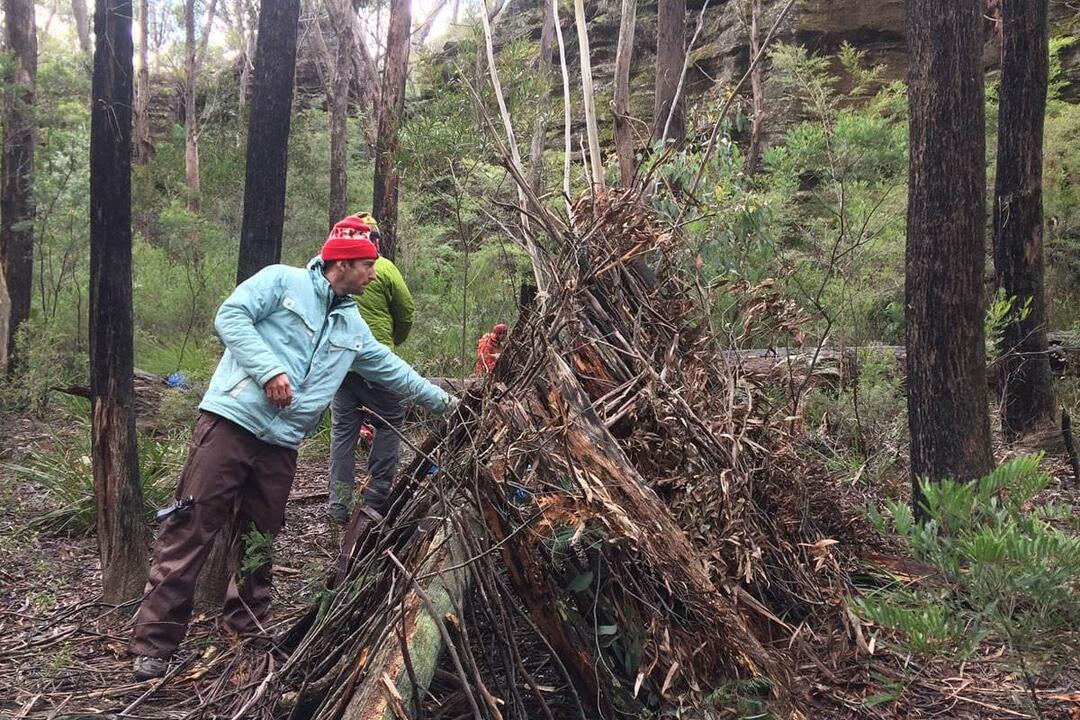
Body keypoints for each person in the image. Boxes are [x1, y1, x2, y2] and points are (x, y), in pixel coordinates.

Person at [129, 216, 455, 681]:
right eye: (368, 266)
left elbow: (393, 370)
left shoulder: (352, 325)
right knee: (191, 526)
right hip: (230, 424)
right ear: (343, 261)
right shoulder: (280, 280)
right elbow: (230, 316)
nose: (373, 274)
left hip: (282, 443)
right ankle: (154, 645)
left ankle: (245, 632)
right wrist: (268, 371)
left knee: (261, 536)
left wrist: (452, 405)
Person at [326, 213, 416, 524]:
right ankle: (377, 496)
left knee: (343, 431)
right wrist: (394, 341)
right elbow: (406, 312)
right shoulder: (386, 268)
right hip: (379, 365)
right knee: (389, 422)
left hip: (343, 366)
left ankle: (338, 504)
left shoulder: (336, 268)